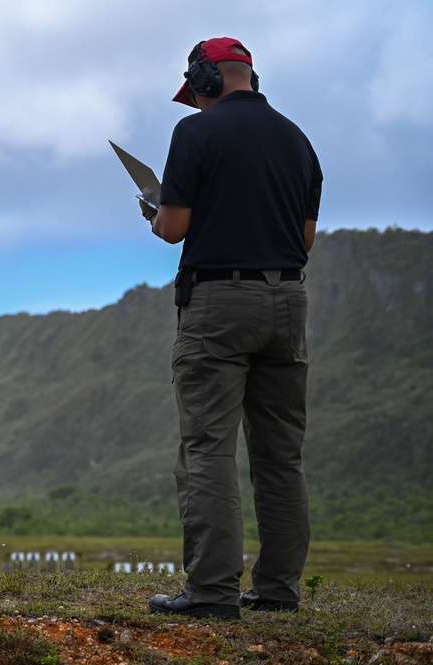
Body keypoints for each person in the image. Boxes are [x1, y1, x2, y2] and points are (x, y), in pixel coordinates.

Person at [141, 37, 322, 619]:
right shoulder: (299, 141)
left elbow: (173, 229)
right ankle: (278, 592)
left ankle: (212, 592)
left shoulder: (195, 134)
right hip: (288, 300)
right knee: (280, 457)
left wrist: (156, 211)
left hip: (219, 302)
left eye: (193, 92)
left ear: (206, 78)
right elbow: (305, 241)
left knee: (207, 449)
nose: (192, 104)